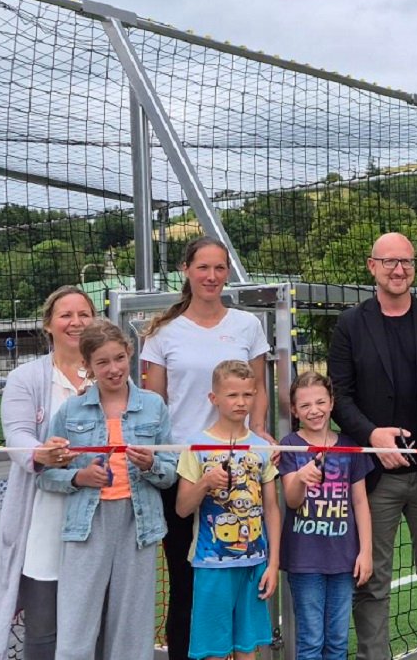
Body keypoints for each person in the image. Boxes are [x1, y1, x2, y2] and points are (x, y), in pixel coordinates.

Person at [328, 231, 417, 660]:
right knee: (371, 582)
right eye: (389, 262)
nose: (398, 270)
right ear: (372, 267)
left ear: (414, 267)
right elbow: (341, 398)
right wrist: (372, 436)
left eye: (406, 262)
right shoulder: (351, 325)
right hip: (374, 479)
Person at [141, 236, 271, 660]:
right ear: (186, 270)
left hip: (239, 472)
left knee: (241, 579)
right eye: (203, 268)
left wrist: (258, 433)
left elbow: (260, 388)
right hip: (186, 470)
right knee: (187, 583)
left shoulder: (247, 326)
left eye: (219, 268)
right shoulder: (164, 333)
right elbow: (155, 405)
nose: (212, 276)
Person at [36, 320, 177, 659]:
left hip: (139, 526)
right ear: (87, 366)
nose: (113, 369)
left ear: (129, 353)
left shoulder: (154, 406)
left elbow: (170, 472)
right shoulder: (70, 410)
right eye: (102, 362)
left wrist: (150, 466)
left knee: (132, 625)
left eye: (118, 358)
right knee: (76, 623)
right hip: (87, 527)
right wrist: (77, 478)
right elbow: (44, 474)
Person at [0, 286, 93, 660]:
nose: (76, 322)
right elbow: (17, 437)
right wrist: (42, 454)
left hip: (100, 517)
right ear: (48, 324)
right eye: (66, 315)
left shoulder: (111, 374)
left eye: (84, 314)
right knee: (44, 629)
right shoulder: (26, 377)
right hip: (44, 516)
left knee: (93, 626)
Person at [175, 359, 281, 660]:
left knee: (248, 650)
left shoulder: (262, 447)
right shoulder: (196, 446)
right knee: (214, 652)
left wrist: (273, 564)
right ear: (214, 398)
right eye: (232, 395)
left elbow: (272, 509)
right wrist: (205, 483)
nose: (241, 402)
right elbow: (182, 508)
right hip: (211, 564)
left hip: (254, 564)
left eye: (248, 395)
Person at [278, 371, 373, 660]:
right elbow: (292, 502)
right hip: (305, 561)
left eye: (320, 402)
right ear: (294, 410)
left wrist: (366, 551)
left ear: (332, 403)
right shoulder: (290, 445)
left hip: (344, 560)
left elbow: (360, 501)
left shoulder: (349, 446)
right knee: (310, 642)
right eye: (305, 405)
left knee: (337, 641)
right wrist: (300, 479)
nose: (314, 410)